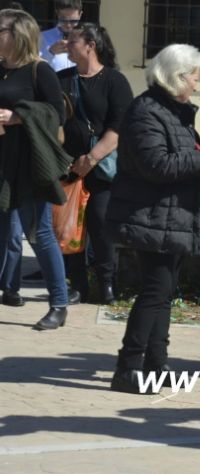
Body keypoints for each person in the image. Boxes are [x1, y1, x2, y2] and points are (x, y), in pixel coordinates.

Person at [106, 44, 200, 394]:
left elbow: (185, 152)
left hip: (170, 216)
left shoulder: (173, 111)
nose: (197, 84)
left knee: (163, 292)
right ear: (177, 77)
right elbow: (157, 165)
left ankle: (156, 364)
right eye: (194, 76)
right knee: (155, 291)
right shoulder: (145, 111)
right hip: (150, 214)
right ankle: (128, 366)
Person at [0, 8, 72, 329]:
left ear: (18, 35)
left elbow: (57, 113)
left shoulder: (38, 70)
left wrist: (18, 117)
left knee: (40, 234)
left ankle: (58, 303)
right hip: (2, 160)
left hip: (29, 163)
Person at [57, 23, 133, 305]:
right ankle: (77, 285)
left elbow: (119, 125)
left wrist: (91, 158)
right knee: (70, 227)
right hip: (67, 168)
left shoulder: (115, 81)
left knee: (100, 224)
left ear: (90, 45)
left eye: (73, 40)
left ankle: (106, 284)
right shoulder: (60, 79)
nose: (67, 44)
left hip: (102, 168)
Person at [39, 0, 82, 72]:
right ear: (57, 14)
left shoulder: (86, 38)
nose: (68, 25)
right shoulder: (42, 37)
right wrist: (50, 52)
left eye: (73, 21)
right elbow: (34, 67)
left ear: (80, 15)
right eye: (64, 20)